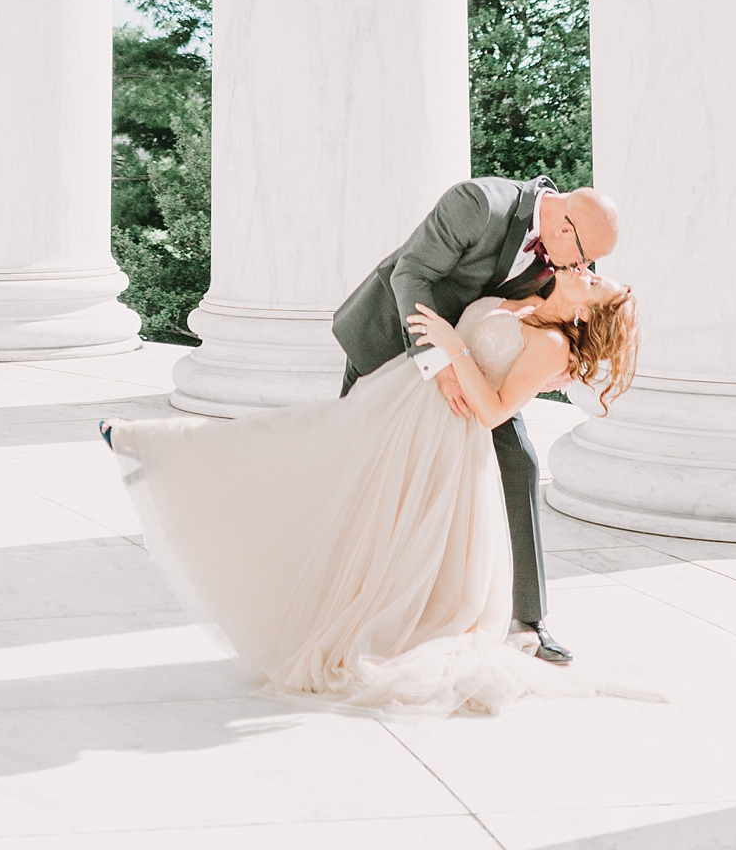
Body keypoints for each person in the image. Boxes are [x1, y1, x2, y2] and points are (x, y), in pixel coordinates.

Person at [100, 252, 639, 716]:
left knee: (326, 473)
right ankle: (155, 446)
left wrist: (454, 348)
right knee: (303, 448)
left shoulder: (551, 345)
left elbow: (495, 412)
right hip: (399, 402)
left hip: (440, 435)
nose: (586, 270)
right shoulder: (525, 296)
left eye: (594, 282)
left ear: (588, 311)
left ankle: (148, 442)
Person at [333, 174, 620, 665]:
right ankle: (342, 591)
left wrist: (561, 360)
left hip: (474, 360)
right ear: (566, 226)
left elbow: (552, 311)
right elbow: (411, 273)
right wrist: (436, 362)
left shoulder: (559, 253)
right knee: (359, 462)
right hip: (399, 338)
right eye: (580, 258)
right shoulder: (479, 204)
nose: (579, 268)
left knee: (520, 463)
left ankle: (528, 619)